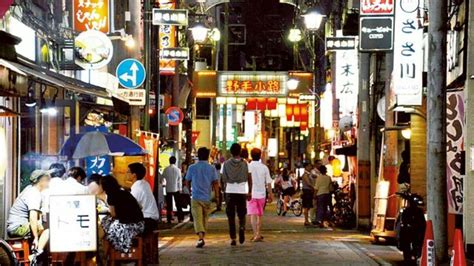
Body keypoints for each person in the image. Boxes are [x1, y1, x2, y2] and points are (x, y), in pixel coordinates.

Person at [7, 170, 51, 262]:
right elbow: (32, 217)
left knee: (44, 226)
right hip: (18, 227)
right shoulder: (34, 193)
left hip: (17, 226)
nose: (49, 182)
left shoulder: (30, 189)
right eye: (47, 180)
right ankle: (35, 254)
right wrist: (35, 237)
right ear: (41, 180)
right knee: (48, 230)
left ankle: (36, 252)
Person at [184, 147, 219, 248]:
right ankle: (201, 237)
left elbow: (187, 181)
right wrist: (217, 196)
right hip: (207, 197)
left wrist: (189, 189)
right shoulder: (211, 168)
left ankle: (200, 237)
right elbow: (215, 183)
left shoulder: (192, 167)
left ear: (198, 156)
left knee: (197, 219)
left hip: (195, 196)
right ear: (208, 156)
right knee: (204, 218)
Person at [100, 175, 144, 253]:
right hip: (140, 224)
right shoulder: (125, 192)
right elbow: (140, 207)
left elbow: (113, 215)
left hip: (128, 226)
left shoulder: (111, 196)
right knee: (107, 224)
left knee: (105, 224)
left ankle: (109, 254)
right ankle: (109, 254)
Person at [222, 143, 252, 246]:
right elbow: (249, 178)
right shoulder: (245, 164)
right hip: (241, 191)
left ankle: (233, 238)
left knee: (231, 216)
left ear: (231, 152)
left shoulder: (225, 164)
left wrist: (224, 190)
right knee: (241, 213)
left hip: (230, 190)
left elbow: (223, 179)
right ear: (240, 152)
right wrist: (250, 191)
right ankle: (242, 227)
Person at [247, 148, 273, 242]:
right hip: (262, 194)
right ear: (260, 156)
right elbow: (269, 182)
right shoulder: (264, 167)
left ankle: (255, 234)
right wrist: (271, 194)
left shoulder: (248, 167)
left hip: (251, 194)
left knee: (253, 215)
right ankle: (258, 232)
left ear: (251, 155)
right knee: (259, 215)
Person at [127, 163, 160, 233]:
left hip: (147, 221)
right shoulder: (144, 183)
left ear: (134, 175)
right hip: (151, 220)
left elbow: (130, 206)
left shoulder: (137, 188)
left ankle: (126, 243)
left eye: (128, 172)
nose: (126, 174)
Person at [162, 156, 183, 223]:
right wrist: (180, 188)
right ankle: (180, 218)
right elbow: (180, 180)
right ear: (175, 161)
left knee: (169, 205)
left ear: (169, 161)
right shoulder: (178, 170)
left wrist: (162, 184)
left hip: (168, 189)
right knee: (178, 204)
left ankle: (169, 219)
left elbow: (162, 178)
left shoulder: (166, 169)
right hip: (176, 189)